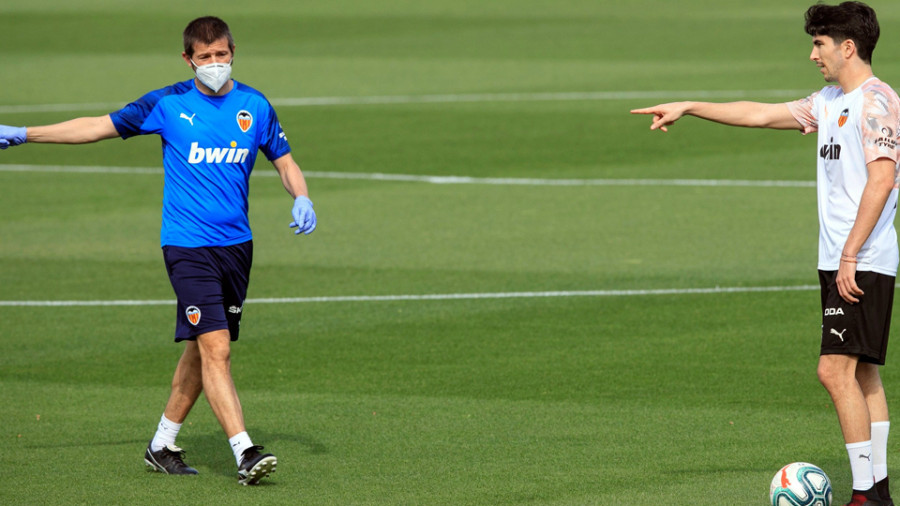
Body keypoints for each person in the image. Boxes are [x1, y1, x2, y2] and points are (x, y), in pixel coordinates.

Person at [0, 16, 317, 485]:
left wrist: (302, 195)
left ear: (233, 52)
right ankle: (245, 452)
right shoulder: (168, 104)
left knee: (199, 347)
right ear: (188, 59)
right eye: (205, 57)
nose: (215, 64)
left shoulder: (255, 105)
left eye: (222, 54)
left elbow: (284, 159)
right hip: (187, 247)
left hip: (237, 248)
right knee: (217, 348)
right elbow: (97, 126)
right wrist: (27, 132)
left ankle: (161, 444)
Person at [631, 2, 897, 505]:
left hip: (860, 257)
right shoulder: (829, 100)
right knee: (862, 372)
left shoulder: (876, 101)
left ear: (848, 46)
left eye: (820, 43)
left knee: (833, 370)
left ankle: (867, 495)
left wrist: (849, 255)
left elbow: (883, 179)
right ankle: (878, 488)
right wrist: (690, 105)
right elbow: (759, 113)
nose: (812, 53)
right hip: (845, 255)